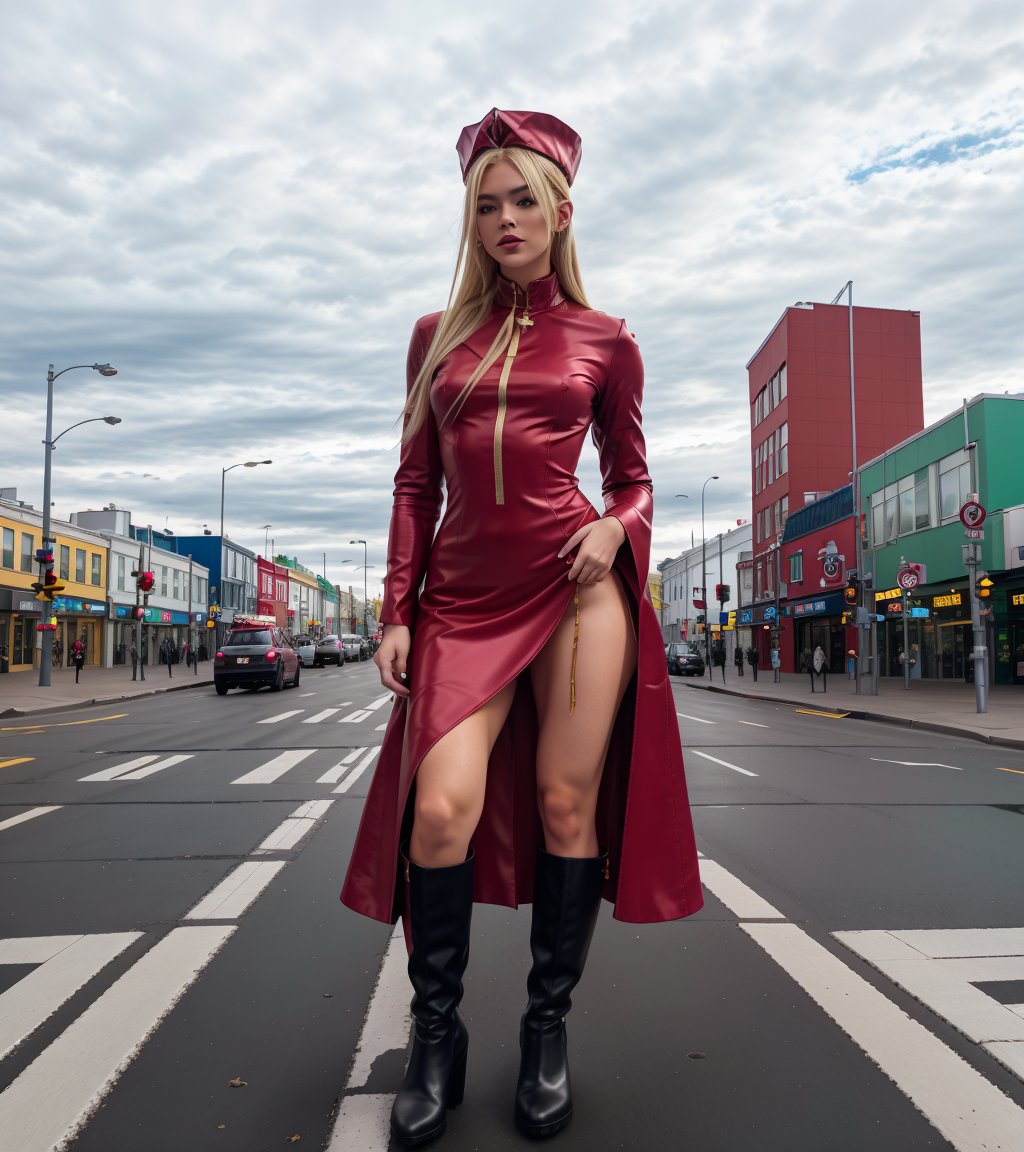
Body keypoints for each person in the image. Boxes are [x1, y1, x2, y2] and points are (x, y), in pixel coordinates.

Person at [340, 108, 703, 1147]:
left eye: (522, 200)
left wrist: (617, 532)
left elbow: (633, 480)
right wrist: (395, 607)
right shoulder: (433, 338)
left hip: (576, 591)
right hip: (459, 600)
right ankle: (437, 1034)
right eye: (486, 202)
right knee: (440, 811)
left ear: (560, 211)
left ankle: (545, 1031)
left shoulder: (607, 340)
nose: (504, 218)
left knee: (561, 801)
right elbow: (413, 483)